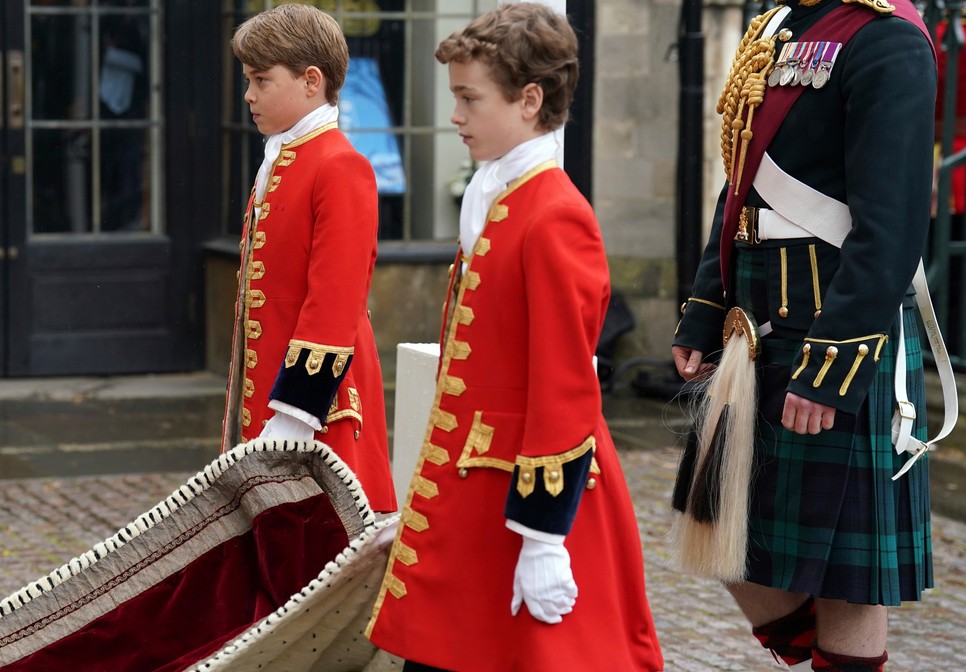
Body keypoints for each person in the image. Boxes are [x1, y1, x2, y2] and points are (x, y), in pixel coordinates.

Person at [365, 4, 663, 670]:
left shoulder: (554, 215)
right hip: (478, 488)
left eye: (470, 98)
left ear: (529, 100)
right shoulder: (498, 197)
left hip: (530, 496)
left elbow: (565, 384)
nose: (456, 116)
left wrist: (544, 537)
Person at [671, 0, 937, 670]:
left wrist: (833, 365)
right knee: (710, 523)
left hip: (836, 326)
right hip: (754, 326)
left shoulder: (888, 38)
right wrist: (706, 305)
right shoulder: (774, 27)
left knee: (848, 577)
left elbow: (891, 227)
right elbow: (736, 189)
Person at [222, 3, 396, 513]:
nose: (249, 94)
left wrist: (298, 408)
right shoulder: (283, 155)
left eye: (261, 79)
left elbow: (335, 301)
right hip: (268, 388)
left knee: (320, 546)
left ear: (310, 81)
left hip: (318, 404)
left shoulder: (340, 164)